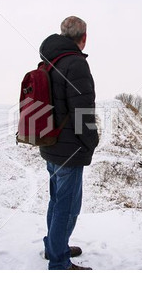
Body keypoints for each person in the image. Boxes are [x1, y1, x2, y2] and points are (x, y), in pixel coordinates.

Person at [39, 16, 99, 270]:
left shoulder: (48, 62)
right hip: (70, 149)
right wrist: (91, 141)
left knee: (56, 201)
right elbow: (82, 111)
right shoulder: (76, 64)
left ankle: (54, 247)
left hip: (50, 143)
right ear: (83, 38)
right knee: (68, 206)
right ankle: (59, 262)